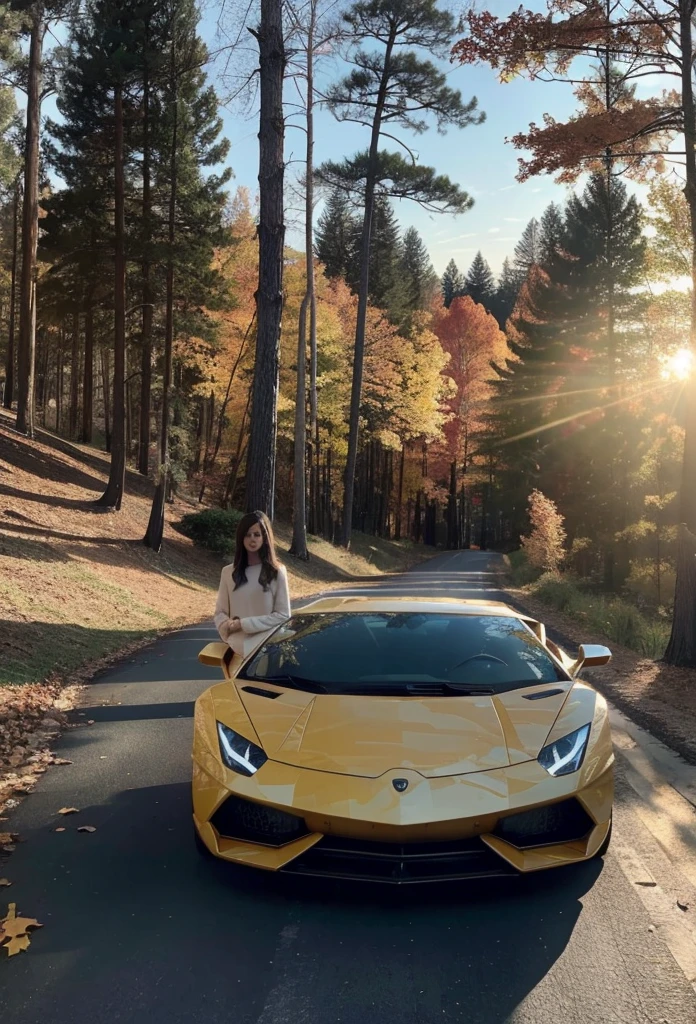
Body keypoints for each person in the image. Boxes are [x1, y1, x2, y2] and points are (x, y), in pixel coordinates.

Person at [214, 510, 291, 656]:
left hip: (267, 649)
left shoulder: (277, 572)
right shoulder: (228, 572)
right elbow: (220, 613)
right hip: (235, 650)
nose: (252, 539)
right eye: (247, 535)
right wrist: (227, 627)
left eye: (257, 534)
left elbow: (283, 615)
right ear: (241, 538)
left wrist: (243, 624)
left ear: (265, 538)